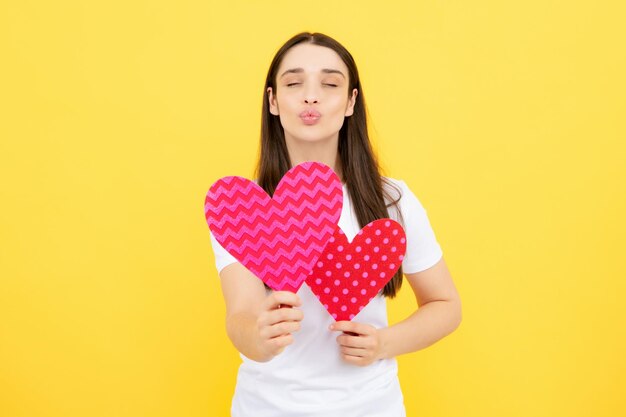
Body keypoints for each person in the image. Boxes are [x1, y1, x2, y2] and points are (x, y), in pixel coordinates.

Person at [208, 32, 462, 417]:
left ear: (350, 102)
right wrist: (260, 336)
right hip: (266, 407)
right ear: (273, 101)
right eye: (294, 83)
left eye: (329, 84)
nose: (311, 96)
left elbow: (445, 305)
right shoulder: (243, 207)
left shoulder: (391, 199)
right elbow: (240, 315)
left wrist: (383, 343)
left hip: (371, 406)